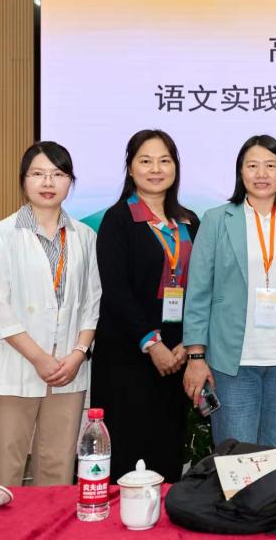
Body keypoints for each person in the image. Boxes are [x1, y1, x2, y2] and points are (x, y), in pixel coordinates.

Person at [182, 135, 276, 451]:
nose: (261, 174)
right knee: (237, 458)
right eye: (252, 166)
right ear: (240, 172)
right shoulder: (217, 219)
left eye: (270, 165)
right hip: (232, 361)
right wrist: (195, 356)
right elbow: (198, 291)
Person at [0, 141, 100, 487]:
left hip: (68, 370)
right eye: (38, 174)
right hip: (15, 367)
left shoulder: (85, 237)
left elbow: (92, 302)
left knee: (57, 469)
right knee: (5, 469)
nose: (48, 182)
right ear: (23, 180)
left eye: (58, 174)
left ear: (70, 181)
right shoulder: (0, 235)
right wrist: (39, 358)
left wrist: (78, 354)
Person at [92, 130, 199, 482]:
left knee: (166, 452)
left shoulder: (189, 221)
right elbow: (116, 291)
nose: (156, 169)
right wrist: (153, 344)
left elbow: (201, 288)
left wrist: (188, 343)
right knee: (127, 455)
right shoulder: (118, 219)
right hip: (127, 358)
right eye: (146, 161)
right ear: (130, 168)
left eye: (164, 160)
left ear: (175, 167)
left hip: (176, 357)